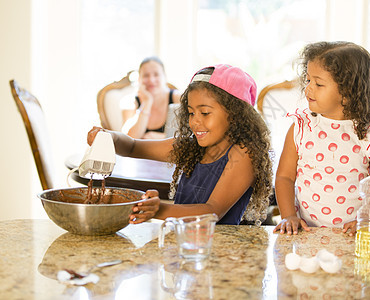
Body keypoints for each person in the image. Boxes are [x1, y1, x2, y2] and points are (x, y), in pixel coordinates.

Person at [88, 64, 273, 225]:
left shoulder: (243, 154)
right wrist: (108, 137)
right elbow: (133, 147)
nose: (195, 122)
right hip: (185, 245)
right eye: (191, 113)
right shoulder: (190, 148)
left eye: (205, 113)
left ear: (235, 115)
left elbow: (212, 211)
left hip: (221, 252)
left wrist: (158, 210)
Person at [273, 41, 370, 235]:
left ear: (347, 93)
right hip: (306, 236)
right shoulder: (301, 128)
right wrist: (289, 215)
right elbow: (285, 177)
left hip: (352, 237)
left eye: (318, 83)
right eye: (308, 80)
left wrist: (367, 219)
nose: (308, 89)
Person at [121, 56, 182, 139]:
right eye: (146, 75)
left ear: (164, 77)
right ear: (139, 79)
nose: (151, 80)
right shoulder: (131, 102)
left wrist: (162, 137)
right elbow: (128, 138)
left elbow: (188, 135)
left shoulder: (177, 98)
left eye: (156, 74)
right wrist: (146, 103)